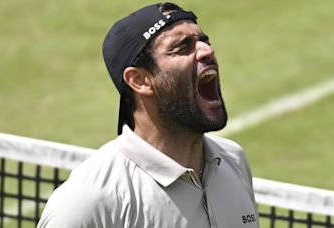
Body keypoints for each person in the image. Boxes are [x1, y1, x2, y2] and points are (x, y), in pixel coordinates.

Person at [38, 2, 259, 228]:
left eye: (203, 41)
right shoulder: (88, 201)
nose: (207, 50)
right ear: (140, 80)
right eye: (183, 47)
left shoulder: (233, 160)